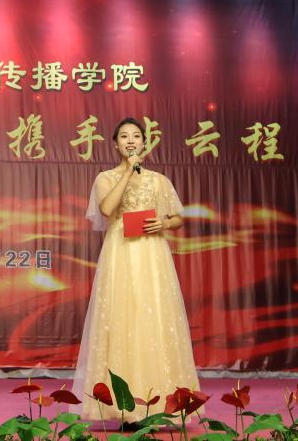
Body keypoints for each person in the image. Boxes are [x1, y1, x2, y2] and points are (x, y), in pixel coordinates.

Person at [73, 117, 199, 424]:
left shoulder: (158, 180)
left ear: (144, 142)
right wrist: (129, 171)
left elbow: (178, 217)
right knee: (121, 319)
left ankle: (157, 406)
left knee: (153, 320)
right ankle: (123, 408)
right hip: (120, 254)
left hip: (152, 255)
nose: (131, 141)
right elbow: (107, 210)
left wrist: (163, 223)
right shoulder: (105, 178)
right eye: (124, 137)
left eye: (136, 136)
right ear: (115, 145)